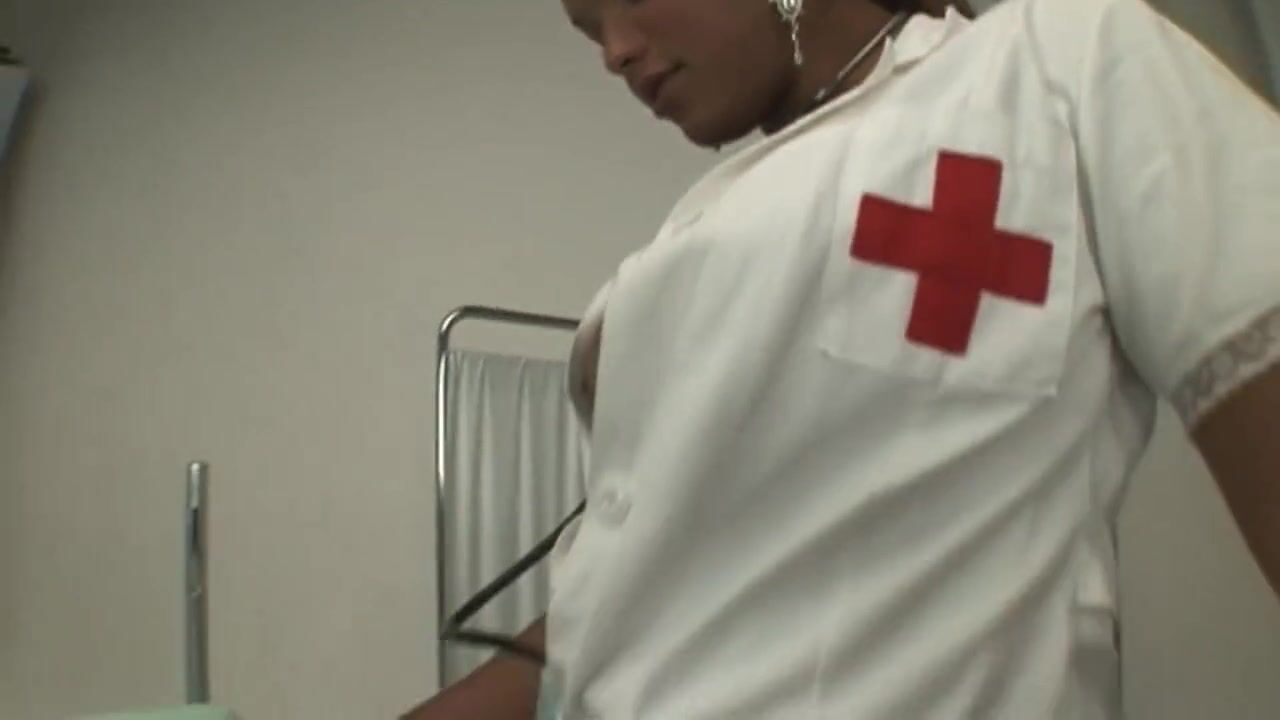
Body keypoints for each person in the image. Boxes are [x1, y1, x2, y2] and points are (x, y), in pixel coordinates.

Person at [405, 0, 1280, 716]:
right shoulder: (699, 223)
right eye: (589, 30)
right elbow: (631, 608)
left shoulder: (1049, 68)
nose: (614, 51)